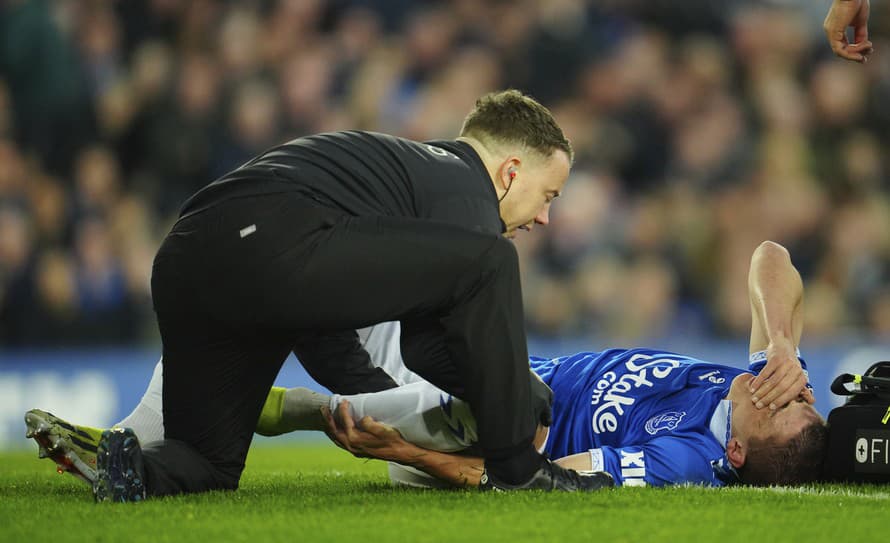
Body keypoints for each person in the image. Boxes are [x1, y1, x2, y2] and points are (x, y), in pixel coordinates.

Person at [85, 89, 619, 501]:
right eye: (548, 195)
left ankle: (130, 467)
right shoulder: (465, 187)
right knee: (495, 261)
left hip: (187, 257)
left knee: (207, 463)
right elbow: (442, 335)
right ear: (509, 173)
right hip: (266, 238)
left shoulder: (403, 178)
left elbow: (344, 325)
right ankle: (519, 475)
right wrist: (517, 400)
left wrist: (383, 400)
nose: (546, 216)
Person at [27, 241, 826, 488]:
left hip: (468, 420)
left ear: (738, 452)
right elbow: (770, 258)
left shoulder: (687, 458)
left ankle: (130, 450)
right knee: (277, 297)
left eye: (784, 402)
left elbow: (541, 481)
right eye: (800, 390)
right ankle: (139, 441)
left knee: (285, 289)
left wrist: (408, 455)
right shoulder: (748, 378)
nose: (784, 387)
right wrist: (784, 341)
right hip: (467, 376)